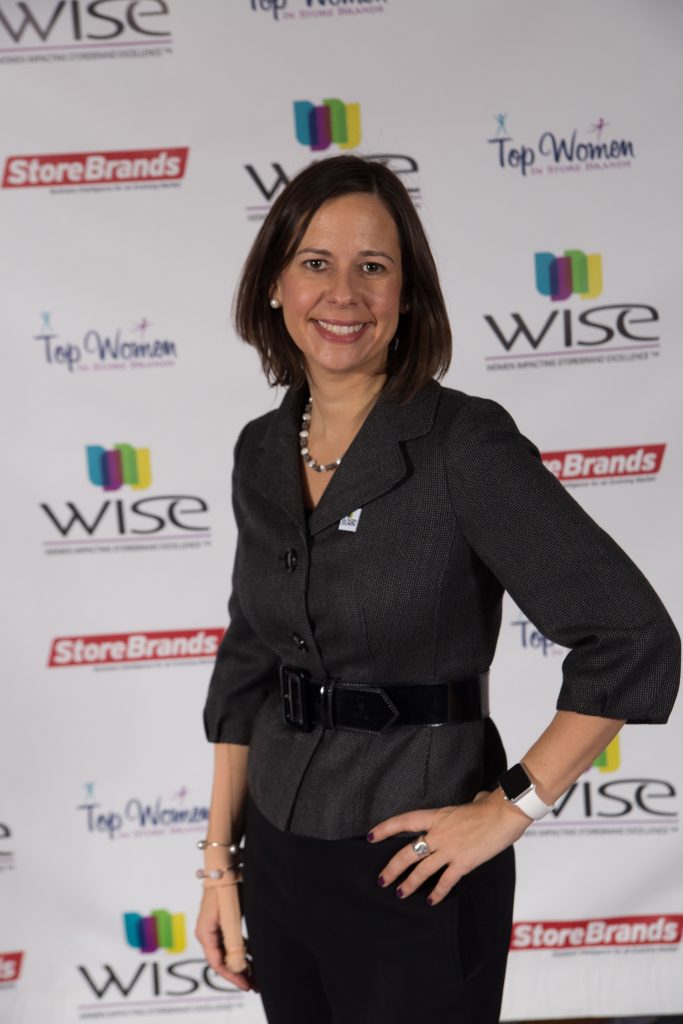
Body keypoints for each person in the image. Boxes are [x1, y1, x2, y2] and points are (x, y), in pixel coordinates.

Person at [195, 155, 680, 1024]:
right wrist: (218, 867)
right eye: (315, 262)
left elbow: (630, 637)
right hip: (274, 850)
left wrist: (509, 807)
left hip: (414, 864)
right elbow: (247, 664)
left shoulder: (464, 445)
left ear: (408, 293)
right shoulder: (258, 451)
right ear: (274, 282)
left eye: (372, 267)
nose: (342, 294)